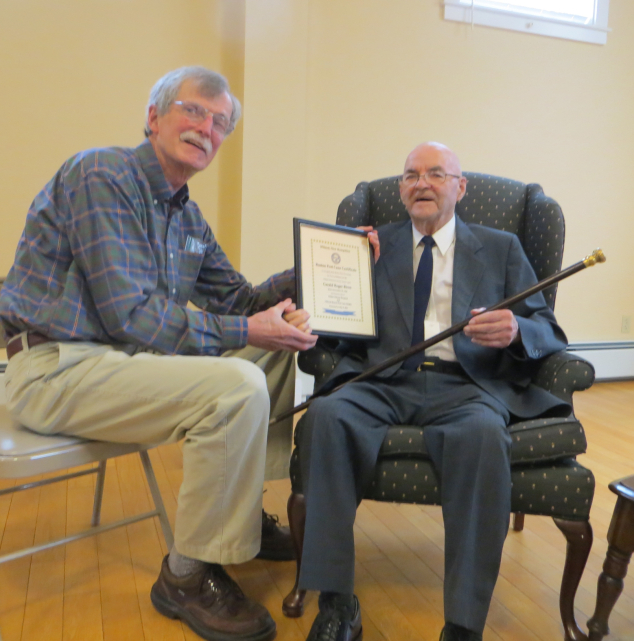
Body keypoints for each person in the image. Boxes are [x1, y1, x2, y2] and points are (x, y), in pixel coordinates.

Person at [0, 66, 318, 641]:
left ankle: (241, 513)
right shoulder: (102, 173)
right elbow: (132, 315)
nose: (207, 129)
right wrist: (248, 327)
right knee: (237, 383)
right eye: (193, 111)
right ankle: (187, 575)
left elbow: (241, 299)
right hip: (52, 368)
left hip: (122, 368)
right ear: (154, 117)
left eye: (220, 123)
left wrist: (318, 270)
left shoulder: (185, 215)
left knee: (273, 356)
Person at [295, 142, 570, 641]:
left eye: (436, 174)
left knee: (483, 437)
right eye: (410, 175)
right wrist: (325, 286)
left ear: (460, 188)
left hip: (466, 386)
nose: (421, 183)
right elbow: (337, 323)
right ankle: (336, 602)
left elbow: (547, 327)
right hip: (382, 379)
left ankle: (463, 624)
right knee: (325, 417)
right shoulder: (372, 243)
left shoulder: (501, 246)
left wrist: (515, 331)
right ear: (400, 189)